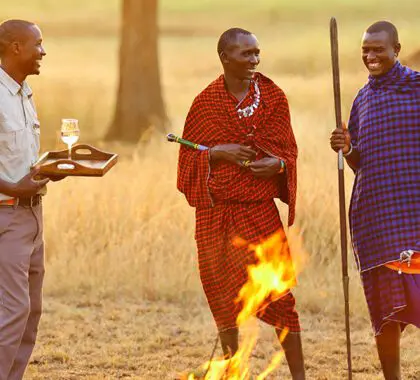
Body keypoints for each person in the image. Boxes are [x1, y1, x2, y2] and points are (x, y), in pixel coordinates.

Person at [177, 28, 305, 379]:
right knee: (223, 299)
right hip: (216, 215)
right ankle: (232, 371)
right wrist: (218, 153)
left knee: (280, 297)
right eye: (246, 54)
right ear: (225, 58)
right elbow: (187, 163)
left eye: (257, 53)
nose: (254, 60)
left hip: (258, 212)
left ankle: (300, 377)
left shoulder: (273, 97)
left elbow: (288, 152)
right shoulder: (205, 103)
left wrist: (277, 164)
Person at [330, 21, 420, 380]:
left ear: (396, 50)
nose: (370, 56)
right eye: (365, 50)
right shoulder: (362, 99)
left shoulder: (416, 87)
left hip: (414, 214)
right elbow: (359, 162)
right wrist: (348, 147)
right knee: (385, 309)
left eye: (378, 49)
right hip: (375, 217)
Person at [0, 19, 57, 380]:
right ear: (15, 47)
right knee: (12, 311)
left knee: (31, 311)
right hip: (7, 214)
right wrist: (11, 189)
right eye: (37, 44)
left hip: (33, 215)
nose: (43, 51)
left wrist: (56, 167)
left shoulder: (23, 92)